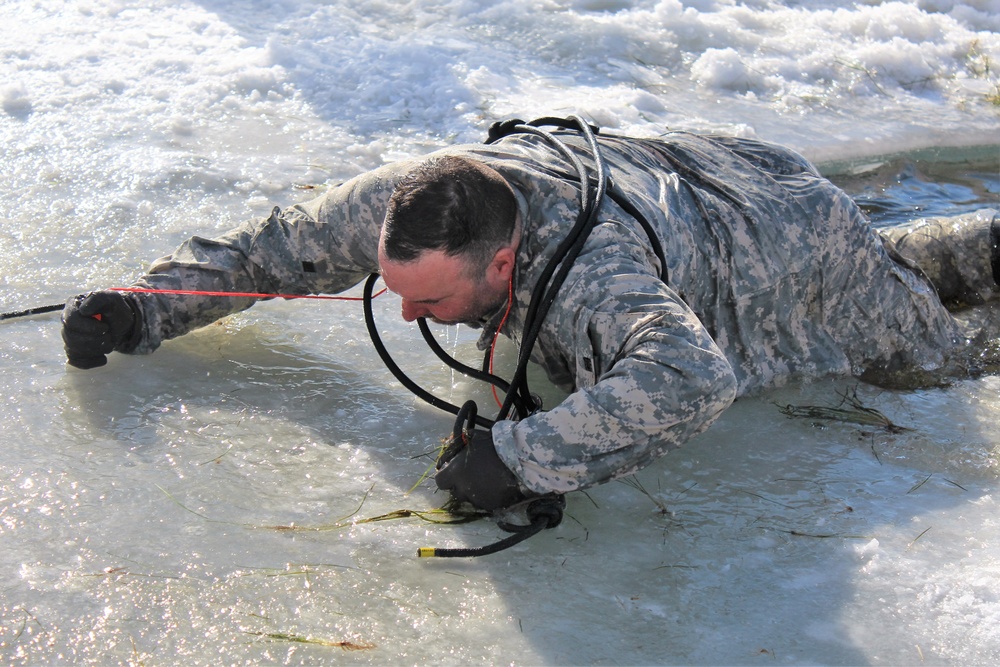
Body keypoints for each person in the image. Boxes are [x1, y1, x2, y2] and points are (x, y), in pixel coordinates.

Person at [61, 117, 1000, 514]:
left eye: (429, 300)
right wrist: (138, 309)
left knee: (935, 354)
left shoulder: (587, 271)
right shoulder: (418, 202)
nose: (402, 307)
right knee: (906, 271)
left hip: (792, 237)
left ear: (504, 261)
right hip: (692, 189)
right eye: (395, 284)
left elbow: (691, 376)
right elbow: (274, 247)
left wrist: (519, 458)